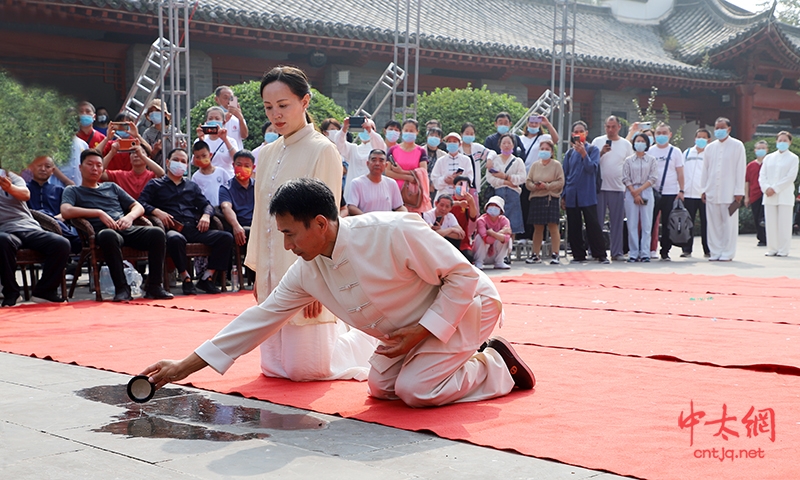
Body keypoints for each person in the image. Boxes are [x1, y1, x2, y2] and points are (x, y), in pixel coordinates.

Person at [141, 178, 534, 407]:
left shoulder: (393, 230)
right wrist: (182, 367)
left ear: (320, 224)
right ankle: (448, 361)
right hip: (409, 329)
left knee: (416, 390)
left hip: (467, 308)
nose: (288, 245)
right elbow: (257, 321)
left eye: (291, 234)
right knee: (381, 387)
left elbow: (463, 277)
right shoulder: (306, 272)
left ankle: (496, 366)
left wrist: (425, 331)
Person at [246, 66, 376, 382]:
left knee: (309, 370)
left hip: (305, 267)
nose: (275, 114)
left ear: (305, 102)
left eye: (283, 105)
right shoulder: (265, 153)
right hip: (272, 267)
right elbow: (260, 214)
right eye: (268, 107)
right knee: (275, 368)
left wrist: (320, 284)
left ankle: (372, 340)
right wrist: (257, 272)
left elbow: (327, 225)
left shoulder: (323, 150)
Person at [60, 149, 172, 301]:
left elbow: (138, 206)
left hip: (125, 227)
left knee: (157, 233)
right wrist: (98, 212)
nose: (95, 169)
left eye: (99, 165)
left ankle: (154, 286)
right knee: (108, 235)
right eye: (90, 164)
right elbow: (65, 211)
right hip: (102, 233)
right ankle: (122, 288)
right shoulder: (73, 190)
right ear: (80, 167)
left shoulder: (111, 187)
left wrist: (130, 218)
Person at [138, 148, 233, 295]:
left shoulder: (191, 186)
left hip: (194, 227)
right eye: (176, 160)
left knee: (225, 237)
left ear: (187, 166)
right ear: (168, 162)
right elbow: (140, 203)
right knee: (175, 239)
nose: (180, 164)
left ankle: (207, 278)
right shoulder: (155, 185)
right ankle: (186, 278)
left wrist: (206, 216)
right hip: (171, 228)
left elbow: (206, 204)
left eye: (183, 161)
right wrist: (156, 211)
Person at [1, 168, 70, 306]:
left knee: (61, 244)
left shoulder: (9, 176)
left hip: (28, 227)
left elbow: (25, 194)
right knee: (2, 242)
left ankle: (44, 292)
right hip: (4, 231)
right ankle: (12, 293)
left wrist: (10, 187)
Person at [562, 121, 608, 264]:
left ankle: (600, 254)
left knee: (593, 224)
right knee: (574, 225)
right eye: (576, 132)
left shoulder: (593, 150)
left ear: (586, 133)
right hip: (571, 193)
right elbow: (565, 174)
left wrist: (583, 154)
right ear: (572, 135)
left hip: (587, 194)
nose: (579, 134)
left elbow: (592, 168)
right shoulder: (569, 153)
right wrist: (563, 195)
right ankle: (578, 254)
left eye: (581, 131)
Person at [700, 118, 745, 262]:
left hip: (730, 192)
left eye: (722, 127)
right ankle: (715, 251)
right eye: (716, 127)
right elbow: (705, 170)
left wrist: (739, 191)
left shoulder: (737, 146)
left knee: (729, 224)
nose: (719, 130)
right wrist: (703, 189)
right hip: (712, 191)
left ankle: (728, 252)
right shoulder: (710, 147)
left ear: (729, 129)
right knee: (713, 224)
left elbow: (740, 169)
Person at [592, 116, 633, 261]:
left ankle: (617, 252)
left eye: (613, 127)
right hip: (600, 188)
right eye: (608, 127)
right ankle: (596, 251)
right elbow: (590, 162)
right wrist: (601, 152)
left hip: (618, 188)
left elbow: (629, 166)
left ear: (619, 127)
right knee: (597, 222)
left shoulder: (626, 144)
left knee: (617, 222)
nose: (610, 130)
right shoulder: (597, 141)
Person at [26, 156, 82, 254]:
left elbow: (67, 210)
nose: (43, 169)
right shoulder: (24, 190)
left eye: (47, 166)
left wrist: (57, 218)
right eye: (39, 166)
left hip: (58, 229)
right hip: (33, 229)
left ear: (52, 171)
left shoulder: (60, 191)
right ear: (31, 167)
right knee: (42, 214)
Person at [648, 123, 685, 261]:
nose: (661, 135)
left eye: (664, 133)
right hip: (652, 191)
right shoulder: (650, 151)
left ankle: (665, 251)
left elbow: (680, 172)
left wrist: (681, 190)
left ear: (670, 134)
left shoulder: (675, 151)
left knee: (668, 223)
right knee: (649, 222)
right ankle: (648, 249)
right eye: (658, 133)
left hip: (670, 192)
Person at [759, 131, 799, 257]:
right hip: (769, 195)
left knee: (784, 224)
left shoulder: (793, 158)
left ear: (790, 142)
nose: (782, 143)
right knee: (770, 223)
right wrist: (766, 188)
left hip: (784, 195)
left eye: (785, 141)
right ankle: (772, 248)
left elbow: (790, 177)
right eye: (780, 140)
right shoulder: (769, 158)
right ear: (776, 142)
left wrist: (775, 188)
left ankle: (783, 249)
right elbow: (762, 175)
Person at [524, 140, 563, 265]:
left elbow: (561, 182)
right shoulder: (535, 165)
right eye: (542, 149)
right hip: (536, 197)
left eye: (547, 149)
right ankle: (535, 254)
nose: (544, 151)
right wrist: (535, 186)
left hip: (550, 197)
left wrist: (546, 186)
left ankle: (555, 254)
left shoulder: (556, 165)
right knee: (538, 228)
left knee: (553, 226)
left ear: (552, 152)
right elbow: (528, 182)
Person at [621, 134, 658, 263]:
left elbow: (653, 178)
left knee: (647, 224)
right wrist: (634, 192)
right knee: (632, 223)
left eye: (643, 141)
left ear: (647, 144)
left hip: (646, 190)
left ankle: (645, 253)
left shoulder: (652, 160)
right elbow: (625, 177)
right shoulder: (628, 160)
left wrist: (640, 191)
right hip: (631, 192)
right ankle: (633, 252)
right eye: (638, 141)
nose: (640, 143)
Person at [336, 117, 387, 201]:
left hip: (372, 190)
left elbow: (380, 146)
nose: (365, 130)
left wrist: (370, 131)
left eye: (367, 128)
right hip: (352, 190)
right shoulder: (352, 149)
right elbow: (338, 145)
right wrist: (344, 128)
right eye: (363, 128)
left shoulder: (377, 149)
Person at [386, 119, 431, 213]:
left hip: (413, 194)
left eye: (411, 131)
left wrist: (401, 171)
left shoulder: (421, 151)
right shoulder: (393, 150)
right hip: (394, 191)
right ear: (402, 131)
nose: (408, 133)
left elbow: (423, 172)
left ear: (417, 132)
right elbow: (388, 172)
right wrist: (407, 177)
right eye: (406, 130)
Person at [485, 134, 526, 237]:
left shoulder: (518, 161)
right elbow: (490, 178)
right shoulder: (494, 160)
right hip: (498, 193)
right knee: (496, 222)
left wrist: (505, 176)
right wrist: (506, 182)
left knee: (512, 224)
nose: (506, 145)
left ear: (513, 145)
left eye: (509, 143)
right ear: (500, 145)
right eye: (504, 143)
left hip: (513, 195)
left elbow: (522, 178)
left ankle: (509, 249)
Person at [345, 149, 406, 215]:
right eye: (374, 160)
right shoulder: (357, 183)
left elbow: (399, 207)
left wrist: (405, 213)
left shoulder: (392, 183)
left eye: (381, 161)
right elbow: (351, 207)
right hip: (366, 223)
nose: (377, 163)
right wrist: (369, 220)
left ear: (386, 165)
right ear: (367, 163)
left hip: (387, 224)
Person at [680, 129, 711, 258]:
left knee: (706, 223)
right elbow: (680, 172)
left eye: (704, 137)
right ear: (694, 139)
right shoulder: (687, 153)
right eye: (699, 137)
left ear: (709, 140)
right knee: (688, 222)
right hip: (688, 193)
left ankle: (708, 249)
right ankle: (686, 249)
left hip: (704, 195)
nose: (701, 139)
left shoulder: (710, 154)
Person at [220, 150, 256, 260]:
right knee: (250, 232)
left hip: (258, 226)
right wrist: (236, 226)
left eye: (247, 166)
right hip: (239, 227)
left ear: (253, 167)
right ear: (233, 165)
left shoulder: (259, 186)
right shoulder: (226, 188)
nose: (242, 168)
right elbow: (226, 207)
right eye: (239, 165)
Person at [195, 106, 240, 178]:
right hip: (206, 179)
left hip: (227, 180)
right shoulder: (199, 140)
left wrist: (225, 140)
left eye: (217, 118)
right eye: (210, 118)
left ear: (224, 121)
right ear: (206, 121)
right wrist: (201, 141)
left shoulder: (231, 141)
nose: (213, 121)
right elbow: (195, 163)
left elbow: (237, 159)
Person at [473, 196, 512, 270]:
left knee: (508, 239)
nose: (493, 207)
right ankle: (479, 261)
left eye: (496, 206)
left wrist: (493, 233)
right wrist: (501, 232)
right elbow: (486, 239)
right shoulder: (481, 220)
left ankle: (499, 261)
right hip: (482, 253)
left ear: (501, 210)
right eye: (491, 205)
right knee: (479, 237)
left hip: (495, 253)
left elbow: (506, 239)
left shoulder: (504, 220)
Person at [430, 132, 473, 198]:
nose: (452, 143)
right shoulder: (440, 161)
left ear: (460, 144)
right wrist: (445, 179)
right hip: (443, 197)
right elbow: (435, 181)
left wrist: (457, 181)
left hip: (461, 196)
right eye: (449, 141)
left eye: (454, 141)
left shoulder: (466, 160)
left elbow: (470, 179)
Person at [190, 140, 232, 207]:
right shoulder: (195, 177)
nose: (201, 159)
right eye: (198, 157)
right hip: (206, 210)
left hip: (223, 209)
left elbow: (231, 189)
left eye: (204, 156)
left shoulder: (221, 172)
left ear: (210, 155)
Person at [459, 122, 492, 201]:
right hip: (460, 185)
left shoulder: (477, 148)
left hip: (473, 186)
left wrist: (489, 159)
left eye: (472, 134)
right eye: (467, 133)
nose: (469, 136)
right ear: (461, 134)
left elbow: (491, 152)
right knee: (462, 207)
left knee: (473, 209)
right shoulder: (457, 148)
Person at [745, 141, 769, 247]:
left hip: (766, 194)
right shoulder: (750, 165)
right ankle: (761, 238)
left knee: (764, 217)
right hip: (754, 194)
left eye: (763, 148)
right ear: (755, 150)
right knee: (756, 217)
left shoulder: (769, 163)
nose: (761, 150)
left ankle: (769, 237)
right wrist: (746, 197)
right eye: (759, 148)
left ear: (767, 150)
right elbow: (747, 181)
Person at [451, 175, 479, 262]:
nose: (463, 187)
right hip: (449, 237)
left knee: (468, 257)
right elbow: (444, 206)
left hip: (463, 240)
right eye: (460, 184)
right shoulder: (449, 200)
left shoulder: (468, 202)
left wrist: (471, 202)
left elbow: (473, 217)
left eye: (466, 185)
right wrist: (458, 203)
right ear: (454, 186)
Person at [141, 99, 175, 168]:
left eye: (157, 111)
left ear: (165, 114)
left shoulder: (174, 131)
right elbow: (144, 156)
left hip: (172, 171)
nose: (154, 113)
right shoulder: (147, 134)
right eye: (151, 112)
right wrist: (155, 150)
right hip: (154, 172)